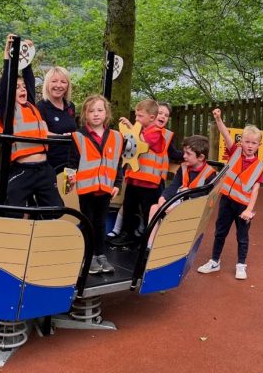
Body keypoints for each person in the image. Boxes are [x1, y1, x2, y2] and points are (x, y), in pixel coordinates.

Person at [0, 34, 63, 213]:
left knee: (55, 210)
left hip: (44, 169)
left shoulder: (32, 107)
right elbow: (5, 88)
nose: (23, 89)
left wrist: (27, 58)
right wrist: (7, 57)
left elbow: (30, 81)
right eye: (17, 87)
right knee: (12, 211)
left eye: (23, 87)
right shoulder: (7, 110)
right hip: (23, 170)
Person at [197, 108, 263, 280]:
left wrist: (249, 210)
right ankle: (214, 261)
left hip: (243, 207)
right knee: (220, 232)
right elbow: (225, 134)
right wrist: (219, 119)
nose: (250, 146)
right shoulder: (235, 152)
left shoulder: (259, 167)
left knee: (242, 237)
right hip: (226, 200)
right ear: (241, 141)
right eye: (247, 142)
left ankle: (241, 265)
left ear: (258, 145)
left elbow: (255, 189)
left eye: (253, 143)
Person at [66, 94, 123, 274]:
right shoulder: (78, 137)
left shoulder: (115, 136)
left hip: (105, 189)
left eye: (100, 110)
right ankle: (88, 256)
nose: (96, 114)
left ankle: (101, 255)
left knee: (100, 223)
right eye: (91, 111)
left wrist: (117, 183)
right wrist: (70, 181)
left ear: (106, 113)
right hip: (87, 189)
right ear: (85, 114)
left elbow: (117, 162)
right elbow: (72, 163)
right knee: (88, 222)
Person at [108, 99, 167, 247]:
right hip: (134, 179)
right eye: (136, 116)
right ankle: (126, 234)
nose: (137, 119)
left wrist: (131, 127)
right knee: (128, 208)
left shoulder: (155, 133)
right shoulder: (140, 130)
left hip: (149, 183)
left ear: (151, 118)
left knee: (148, 212)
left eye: (140, 116)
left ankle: (148, 239)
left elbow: (141, 143)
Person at [147, 134, 216, 244]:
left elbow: (204, 198)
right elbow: (174, 185)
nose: (184, 156)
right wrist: (163, 198)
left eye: (188, 154)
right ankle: (149, 246)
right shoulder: (184, 167)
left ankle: (165, 244)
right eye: (184, 152)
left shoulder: (210, 175)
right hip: (180, 202)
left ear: (201, 157)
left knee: (170, 213)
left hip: (193, 209)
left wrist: (184, 199)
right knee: (155, 208)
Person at [37, 66, 78, 173]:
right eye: (54, 81)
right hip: (50, 164)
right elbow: (43, 133)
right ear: (47, 84)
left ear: (68, 85)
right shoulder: (41, 107)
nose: (58, 85)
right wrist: (62, 138)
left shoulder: (70, 106)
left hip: (70, 162)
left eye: (63, 82)